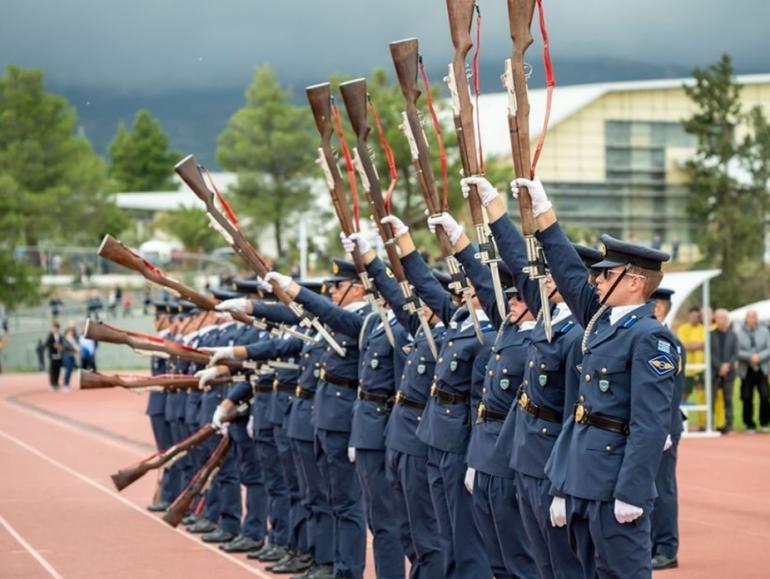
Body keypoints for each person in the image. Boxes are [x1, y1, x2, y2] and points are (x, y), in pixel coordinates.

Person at [512, 175, 678, 579]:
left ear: (635, 281)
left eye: (607, 274)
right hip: (583, 477)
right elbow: (569, 273)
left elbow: (650, 423)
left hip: (615, 481)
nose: (597, 280)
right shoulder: (601, 322)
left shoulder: (649, 337)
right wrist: (544, 215)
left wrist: (632, 491)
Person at [650, 288, 686, 571]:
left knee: (662, 489)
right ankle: (652, 543)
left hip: (662, 427)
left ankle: (666, 548)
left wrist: (662, 429)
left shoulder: (667, 342)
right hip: (650, 426)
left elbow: (669, 393)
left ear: (659, 309)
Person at [735, 310, 770, 432]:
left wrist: (759, 357)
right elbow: (737, 351)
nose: (751, 319)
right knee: (746, 396)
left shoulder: (765, 331)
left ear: (756, 318)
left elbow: (768, 348)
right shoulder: (739, 333)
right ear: (746, 318)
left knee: (765, 396)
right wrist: (750, 357)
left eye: (754, 317)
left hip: (762, 368)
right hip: (747, 369)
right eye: (749, 317)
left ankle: (765, 422)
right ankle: (749, 424)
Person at [677, 307, 706, 428]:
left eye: (696, 316)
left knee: (701, 396)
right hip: (687, 369)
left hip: (700, 368)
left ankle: (702, 424)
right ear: (689, 316)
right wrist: (695, 345)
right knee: (683, 396)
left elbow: (705, 343)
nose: (694, 318)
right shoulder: (683, 329)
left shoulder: (704, 329)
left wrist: (692, 345)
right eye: (692, 316)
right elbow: (683, 344)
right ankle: (682, 424)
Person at [710, 309, 738, 433]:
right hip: (714, 372)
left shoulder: (733, 335)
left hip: (729, 373)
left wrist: (727, 366)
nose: (721, 321)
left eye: (724, 318)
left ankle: (729, 425)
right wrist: (719, 366)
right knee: (712, 399)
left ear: (727, 320)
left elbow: (735, 353)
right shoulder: (710, 335)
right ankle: (710, 425)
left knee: (728, 399)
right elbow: (709, 353)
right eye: (719, 318)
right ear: (715, 320)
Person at [45, 321, 64, 390]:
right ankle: (52, 383)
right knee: (52, 370)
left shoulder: (61, 336)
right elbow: (47, 344)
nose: (55, 329)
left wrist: (61, 347)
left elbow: (63, 344)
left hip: (59, 355)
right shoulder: (50, 335)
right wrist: (53, 345)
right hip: (53, 355)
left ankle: (56, 383)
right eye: (54, 328)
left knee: (58, 370)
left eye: (57, 328)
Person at [61, 323, 80, 389]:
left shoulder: (74, 339)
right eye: (70, 331)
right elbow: (66, 346)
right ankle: (65, 384)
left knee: (70, 370)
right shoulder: (65, 338)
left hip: (73, 356)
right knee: (68, 370)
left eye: (72, 331)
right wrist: (74, 348)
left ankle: (67, 383)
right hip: (67, 356)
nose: (71, 333)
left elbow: (78, 345)